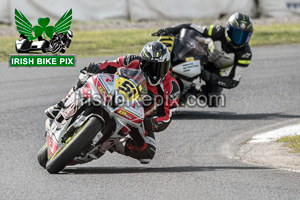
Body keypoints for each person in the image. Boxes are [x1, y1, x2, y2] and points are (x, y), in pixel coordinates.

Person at [45, 41, 180, 164]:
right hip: (114, 94)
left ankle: (112, 143)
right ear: (143, 61)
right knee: (86, 75)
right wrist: (96, 68)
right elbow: (110, 64)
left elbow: (167, 116)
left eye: (160, 67)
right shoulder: (131, 60)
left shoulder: (171, 86)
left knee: (147, 152)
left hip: (138, 116)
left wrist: (154, 123)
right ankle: (62, 104)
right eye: (151, 66)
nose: (155, 72)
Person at [152, 12, 253, 107]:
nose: (239, 40)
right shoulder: (217, 31)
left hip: (217, 72)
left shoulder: (245, 54)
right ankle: (165, 66)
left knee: (213, 99)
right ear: (228, 29)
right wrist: (170, 30)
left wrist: (211, 77)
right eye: (237, 34)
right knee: (185, 52)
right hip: (202, 56)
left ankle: (190, 92)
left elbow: (233, 82)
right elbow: (192, 27)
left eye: (244, 36)